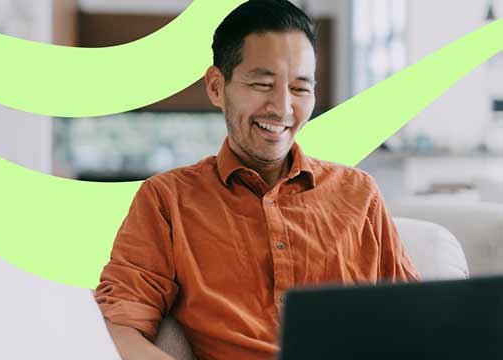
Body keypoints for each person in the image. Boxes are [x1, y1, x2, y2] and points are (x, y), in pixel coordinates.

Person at [94, 1, 419, 359]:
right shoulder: (166, 201)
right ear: (217, 87)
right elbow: (117, 329)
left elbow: (416, 322)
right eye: (263, 83)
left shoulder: (359, 194)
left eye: (300, 89)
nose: (282, 108)